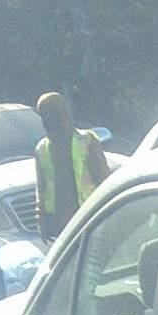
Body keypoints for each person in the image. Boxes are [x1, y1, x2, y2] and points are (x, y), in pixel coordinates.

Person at [32, 91, 110, 241]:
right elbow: (41, 189)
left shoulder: (87, 141)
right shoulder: (41, 149)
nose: (48, 120)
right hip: (59, 226)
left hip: (89, 217)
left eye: (52, 114)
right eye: (44, 115)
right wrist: (41, 220)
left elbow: (104, 181)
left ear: (64, 113)